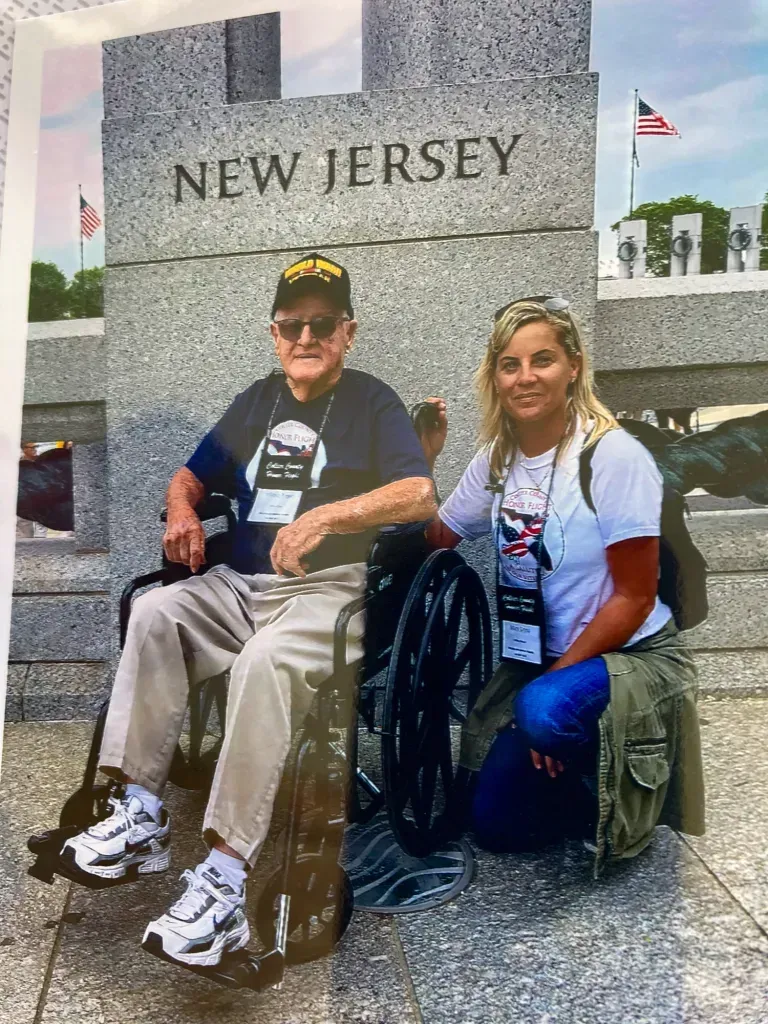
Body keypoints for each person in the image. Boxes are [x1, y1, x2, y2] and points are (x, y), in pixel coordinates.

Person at [62, 252, 435, 966]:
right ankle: (140, 815)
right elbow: (189, 475)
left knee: (263, 664)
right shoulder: (257, 399)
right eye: (292, 324)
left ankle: (225, 881)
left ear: (348, 332)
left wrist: (330, 516)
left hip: (324, 592)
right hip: (238, 585)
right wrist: (181, 511)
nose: (306, 336)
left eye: (322, 323)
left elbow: (417, 494)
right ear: (274, 333)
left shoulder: (369, 400)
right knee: (156, 612)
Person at [421, 296, 705, 871]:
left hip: (632, 656)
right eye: (510, 364)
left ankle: (615, 769)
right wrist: (420, 462)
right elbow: (438, 537)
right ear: (495, 376)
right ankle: (574, 765)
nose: (525, 378)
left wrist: (548, 688)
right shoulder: (498, 458)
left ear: (573, 365)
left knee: (545, 711)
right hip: (544, 661)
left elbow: (635, 597)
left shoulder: (613, 456)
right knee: (496, 828)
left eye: (542, 360)